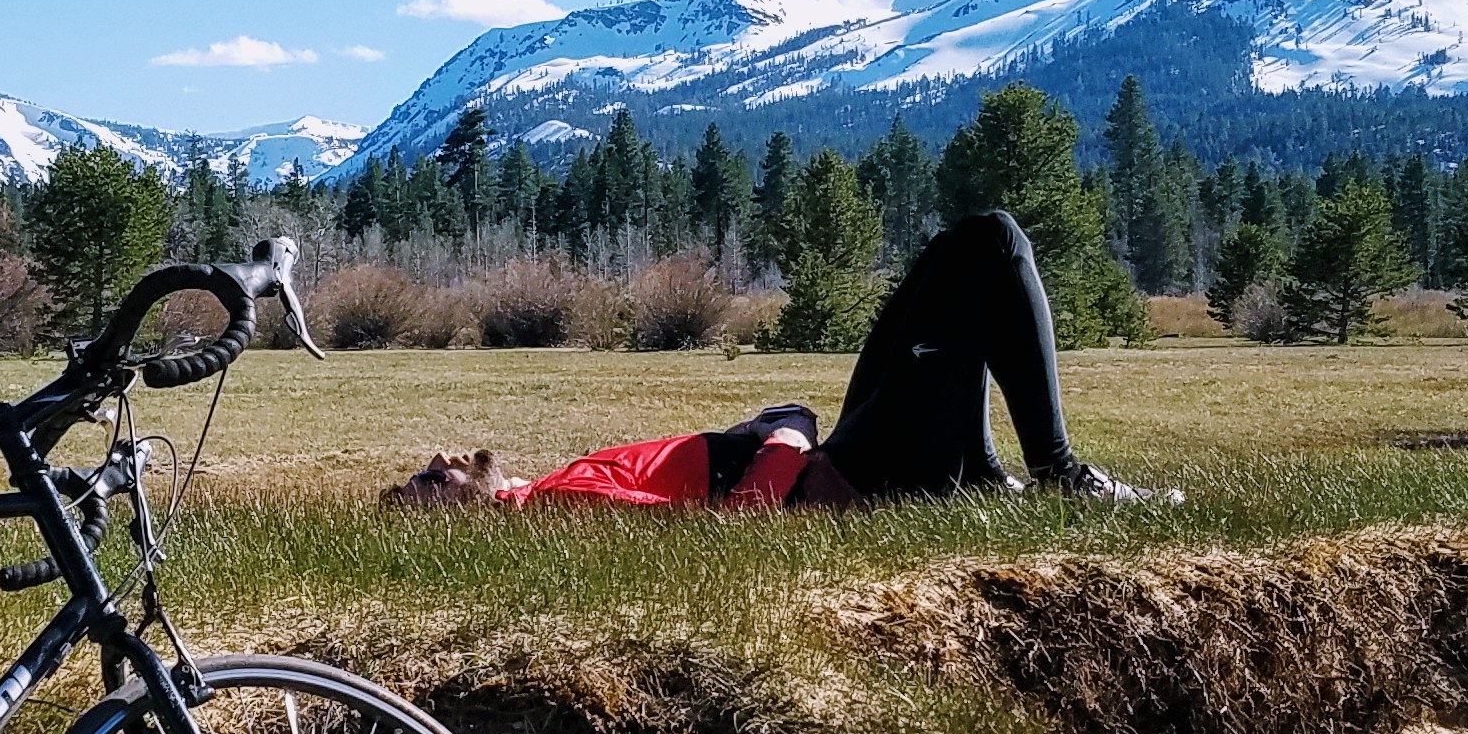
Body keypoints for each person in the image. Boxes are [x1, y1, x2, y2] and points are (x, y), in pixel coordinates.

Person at [391, 209, 1167, 510]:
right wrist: (788, 432)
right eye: (432, 479)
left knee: (940, 269)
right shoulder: (547, 510)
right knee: (990, 244)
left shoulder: (551, 490)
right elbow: (739, 523)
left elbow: (690, 490)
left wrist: (763, 425)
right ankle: (1062, 476)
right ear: (456, 518)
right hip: (837, 479)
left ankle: (985, 474)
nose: (438, 457)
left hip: (833, 461)